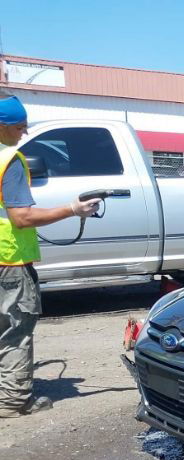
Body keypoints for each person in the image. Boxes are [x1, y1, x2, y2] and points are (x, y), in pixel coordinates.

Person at [0, 93, 100, 419]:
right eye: (19, 127)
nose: (24, 133)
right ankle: (13, 402)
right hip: (9, 262)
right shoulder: (8, 161)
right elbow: (21, 218)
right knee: (15, 329)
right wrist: (73, 209)